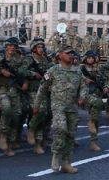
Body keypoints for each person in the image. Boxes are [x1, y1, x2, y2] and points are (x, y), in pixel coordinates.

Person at [35, 45, 85, 174]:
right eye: (68, 53)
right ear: (60, 55)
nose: (71, 55)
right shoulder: (52, 71)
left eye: (72, 53)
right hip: (58, 105)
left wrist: (82, 97)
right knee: (60, 128)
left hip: (72, 106)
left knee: (70, 135)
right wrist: (36, 105)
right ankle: (56, 155)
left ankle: (67, 163)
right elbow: (42, 89)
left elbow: (83, 86)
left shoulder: (77, 71)